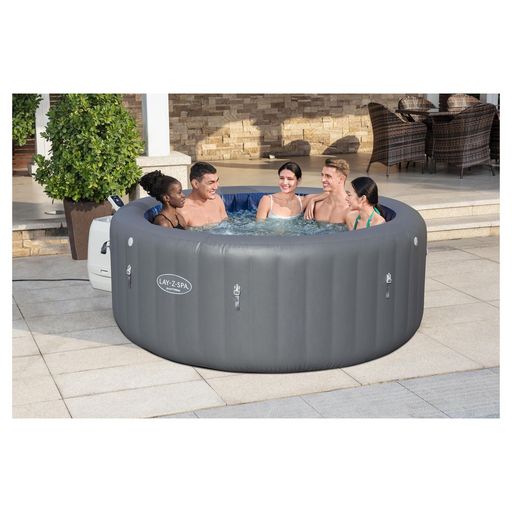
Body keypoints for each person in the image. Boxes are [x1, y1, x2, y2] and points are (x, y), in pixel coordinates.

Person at [178, 161, 228, 227]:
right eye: (211, 183)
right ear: (195, 184)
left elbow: (227, 225)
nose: (216, 187)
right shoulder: (183, 211)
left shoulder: (217, 200)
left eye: (216, 181)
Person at [303, 158, 351, 224]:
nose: (322, 180)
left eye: (328, 176)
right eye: (322, 175)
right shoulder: (317, 205)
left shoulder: (350, 209)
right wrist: (312, 200)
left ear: (341, 179)